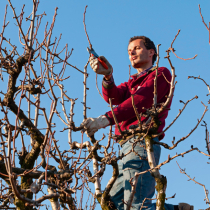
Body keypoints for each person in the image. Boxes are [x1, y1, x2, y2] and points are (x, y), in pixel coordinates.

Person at [81, 36, 193, 210]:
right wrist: (108, 76)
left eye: (136, 48)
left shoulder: (161, 73)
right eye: (128, 51)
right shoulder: (132, 82)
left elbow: (140, 101)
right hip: (126, 146)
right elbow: (114, 97)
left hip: (141, 143)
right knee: (113, 204)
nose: (131, 52)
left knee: (135, 205)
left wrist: (106, 119)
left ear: (151, 52)